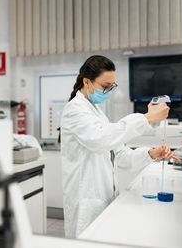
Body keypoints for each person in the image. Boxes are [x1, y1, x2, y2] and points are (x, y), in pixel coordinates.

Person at [61, 55, 173, 238]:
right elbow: (101, 140)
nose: (108, 91)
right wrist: (147, 118)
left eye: (111, 86)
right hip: (86, 201)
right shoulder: (75, 110)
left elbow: (120, 154)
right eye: (105, 86)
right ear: (87, 82)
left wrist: (151, 154)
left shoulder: (96, 112)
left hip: (103, 198)